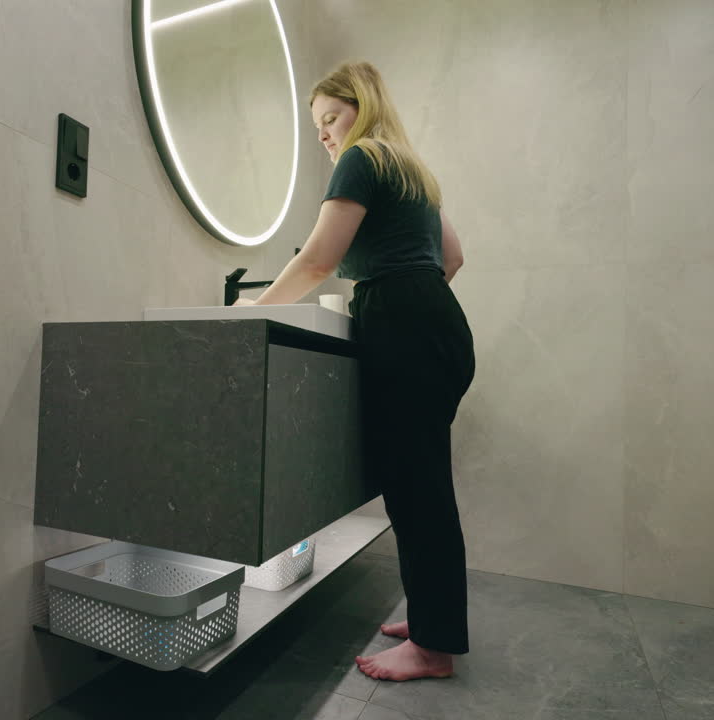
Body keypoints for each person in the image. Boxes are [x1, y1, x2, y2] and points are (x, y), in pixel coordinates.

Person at [235, 60, 476, 682]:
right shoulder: (411, 170)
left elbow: (317, 260)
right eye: (318, 126)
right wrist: (412, 296)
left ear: (358, 107)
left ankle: (433, 648)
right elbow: (453, 257)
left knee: (416, 490)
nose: (324, 135)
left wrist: (252, 313)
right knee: (420, 485)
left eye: (329, 118)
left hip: (405, 323)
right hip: (438, 322)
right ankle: (431, 622)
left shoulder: (364, 157)